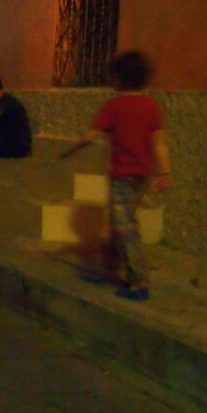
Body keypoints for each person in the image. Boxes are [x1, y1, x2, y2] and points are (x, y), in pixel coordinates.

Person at [62, 51, 171, 301]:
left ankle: (138, 281)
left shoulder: (113, 107)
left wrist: (72, 148)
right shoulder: (151, 107)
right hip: (142, 177)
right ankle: (108, 269)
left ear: (119, 78)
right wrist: (165, 172)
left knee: (126, 229)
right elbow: (160, 143)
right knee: (119, 224)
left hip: (121, 177)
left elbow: (91, 135)